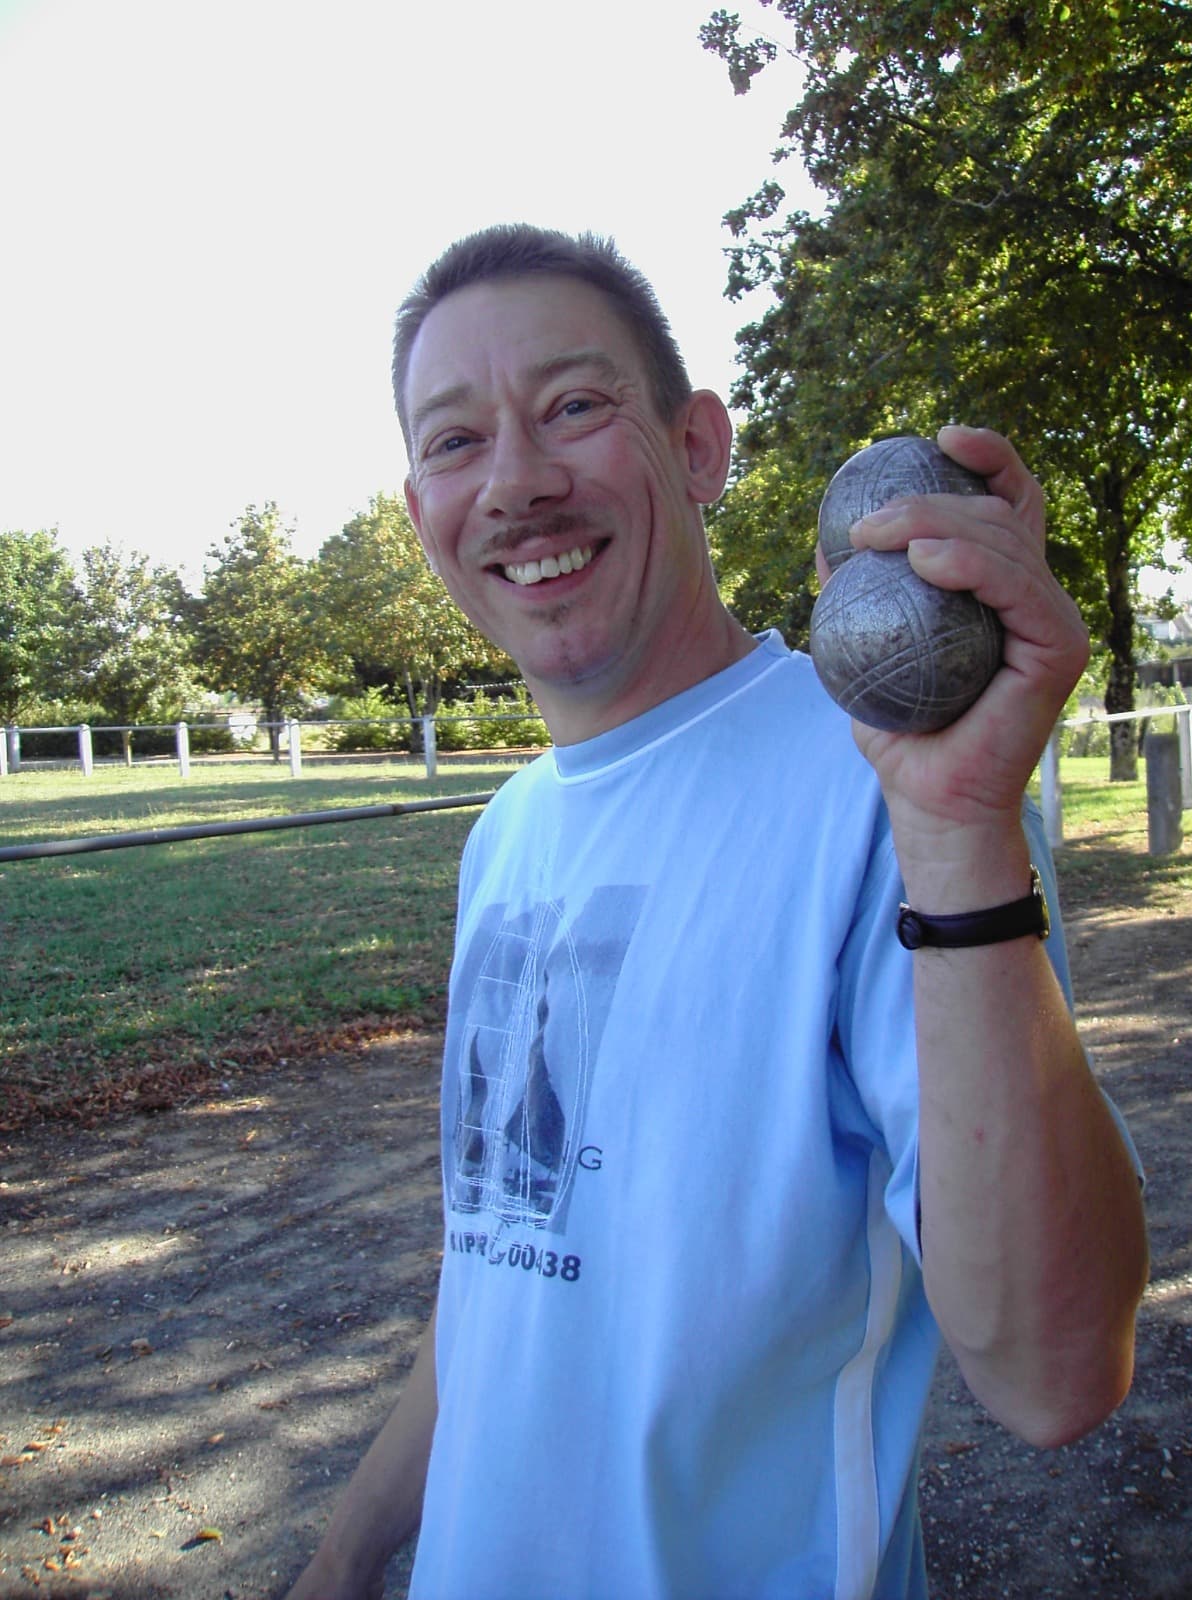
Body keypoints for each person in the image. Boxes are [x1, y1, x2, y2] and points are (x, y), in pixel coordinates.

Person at [287, 224, 1147, 1600]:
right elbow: (505, 1276)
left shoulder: (875, 780)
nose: (515, 482)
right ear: (421, 510)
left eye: (575, 407)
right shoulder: (507, 836)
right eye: (456, 442)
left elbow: (1055, 1375)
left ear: (698, 448)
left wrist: (962, 828)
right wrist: (341, 1562)